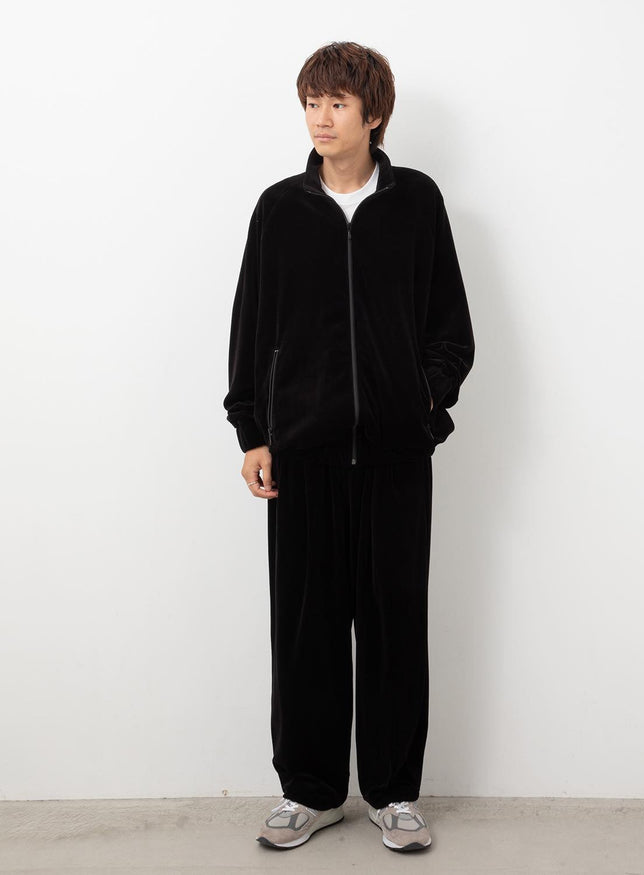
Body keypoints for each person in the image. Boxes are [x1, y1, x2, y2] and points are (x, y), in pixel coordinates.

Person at [223, 40, 475, 853]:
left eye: (337, 102)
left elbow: (450, 329)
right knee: (307, 630)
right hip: (303, 458)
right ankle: (312, 791)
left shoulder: (417, 203)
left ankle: (395, 793)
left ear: (374, 114)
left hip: (397, 458)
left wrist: (422, 401)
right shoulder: (279, 210)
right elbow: (251, 327)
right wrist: (253, 431)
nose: (320, 117)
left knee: (396, 626)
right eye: (311, 102)